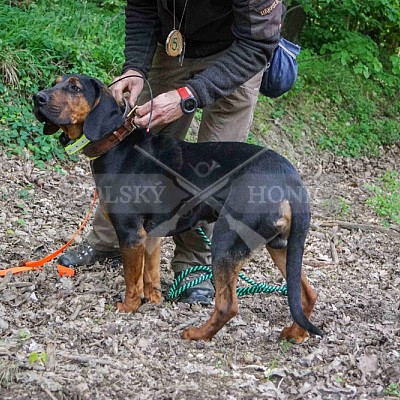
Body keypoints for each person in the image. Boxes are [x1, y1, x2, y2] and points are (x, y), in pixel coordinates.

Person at [58, 0, 283, 305]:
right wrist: (135, 66)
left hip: (237, 55)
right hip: (173, 47)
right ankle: (109, 240)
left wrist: (188, 96)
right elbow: (141, 7)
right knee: (134, 149)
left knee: (212, 172)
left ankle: (193, 265)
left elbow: (259, 43)